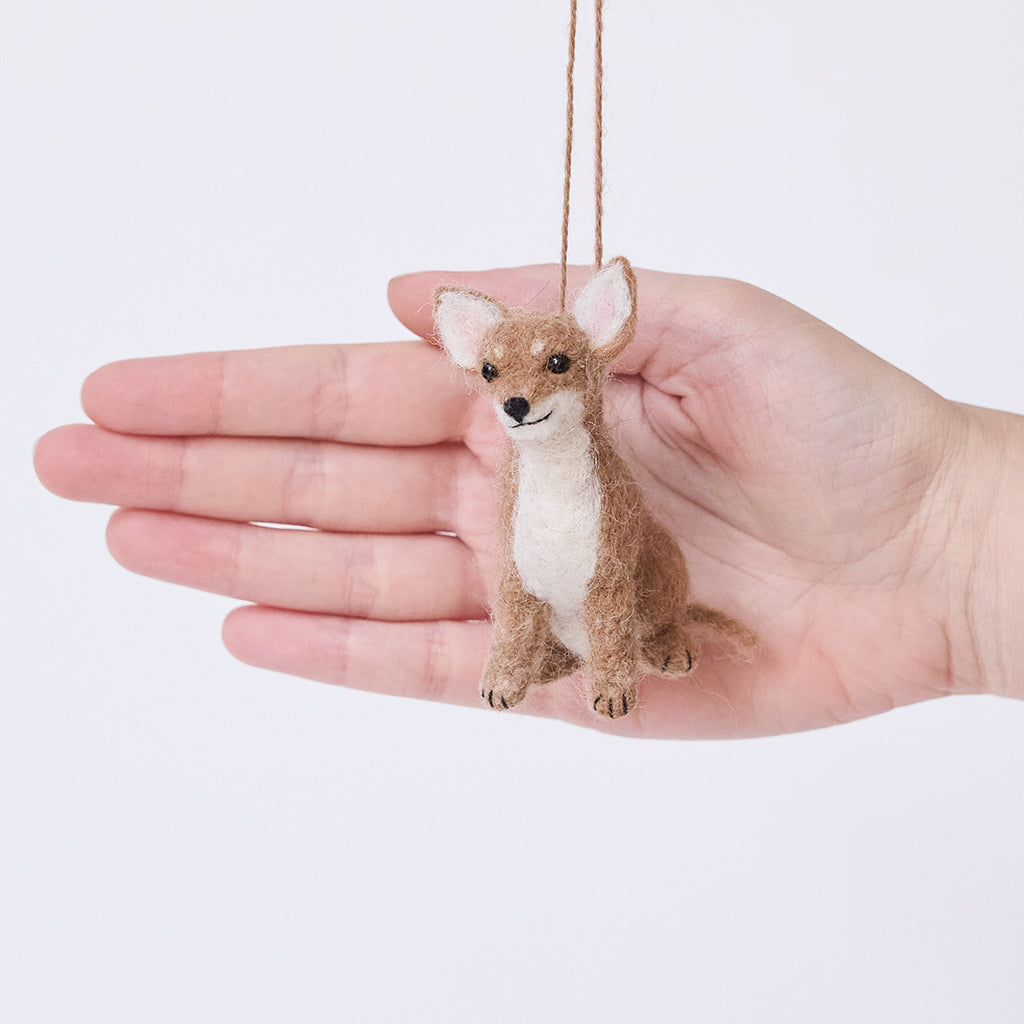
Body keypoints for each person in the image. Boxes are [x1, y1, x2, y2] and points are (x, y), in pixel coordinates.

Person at [32, 264, 1024, 738]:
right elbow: (518, 577)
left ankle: (633, 654)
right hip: (540, 586)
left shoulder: (600, 437)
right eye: (501, 372)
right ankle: (540, 659)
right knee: (526, 589)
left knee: (621, 587)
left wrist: (958, 526)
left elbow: (608, 571)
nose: (520, 391)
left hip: (627, 588)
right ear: (473, 357)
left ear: (596, 348)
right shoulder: (507, 454)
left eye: (549, 367)